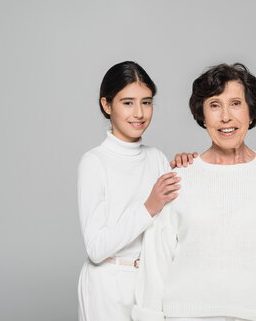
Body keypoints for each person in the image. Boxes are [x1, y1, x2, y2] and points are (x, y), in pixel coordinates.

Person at [133, 63, 256, 321]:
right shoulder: (179, 179)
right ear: (203, 115)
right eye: (214, 105)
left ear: (251, 112)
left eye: (235, 104)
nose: (226, 117)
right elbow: (154, 265)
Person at [77, 61, 180, 321]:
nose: (139, 113)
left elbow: (173, 225)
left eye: (146, 102)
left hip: (150, 284)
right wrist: (148, 208)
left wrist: (187, 168)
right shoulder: (94, 162)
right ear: (106, 105)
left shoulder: (156, 158)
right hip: (106, 287)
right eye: (127, 102)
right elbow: (96, 249)